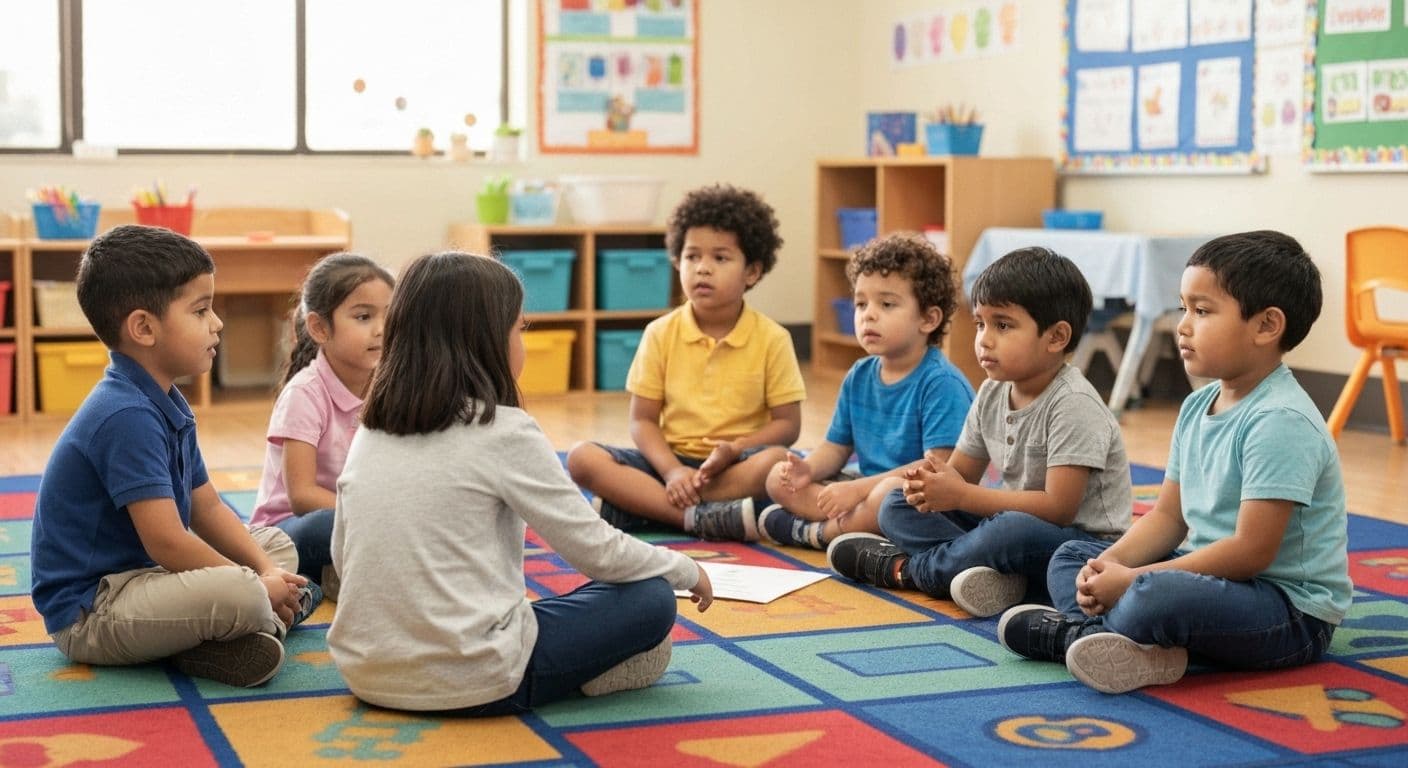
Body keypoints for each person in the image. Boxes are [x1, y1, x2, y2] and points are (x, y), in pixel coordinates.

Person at [328, 251, 714, 715]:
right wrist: (685, 570)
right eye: (521, 328)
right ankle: (594, 669)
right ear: (488, 339)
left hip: (365, 671)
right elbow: (595, 550)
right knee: (650, 596)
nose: (523, 341)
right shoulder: (505, 431)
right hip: (477, 678)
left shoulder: (372, 428)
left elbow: (341, 555)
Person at [998, 231, 1351, 694]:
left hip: (1286, 612)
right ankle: (1123, 642)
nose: (1182, 325)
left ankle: (1084, 633)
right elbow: (1168, 516)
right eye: (1182, 307)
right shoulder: (1197, 405)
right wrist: (1108, 567)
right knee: (1074, 556)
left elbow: (1250, 552)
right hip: (1207, 577)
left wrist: (1134, 580)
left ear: (1266, 326)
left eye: (1202, 311)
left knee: (1152, 594)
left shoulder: (1280, 420)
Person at [30, 224, 316, 689]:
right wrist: (251, 582)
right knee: (241, 591)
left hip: (150, 578)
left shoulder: (165, 401)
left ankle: (232, 630)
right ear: (144, 327)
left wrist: (263, 570)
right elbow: (167, 541)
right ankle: (251, 619)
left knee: (278, 547)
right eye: (201, 310)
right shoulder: (124, 415)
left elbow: (206, 508)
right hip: (94, 611)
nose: (217, 322)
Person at [827, 247, 1132, 619]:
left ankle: (911, 571)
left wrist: (962, 495)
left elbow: (1058, 509)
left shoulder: (1074, 403)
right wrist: (926, 485)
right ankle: (981, 572)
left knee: (1009, 531)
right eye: (980, 324)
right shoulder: (992, 390)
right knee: (894, 503)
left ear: (1056, 337)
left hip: (1080, 546)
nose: (984, 340)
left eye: (1002, 325)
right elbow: (960, 474)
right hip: (1011, 523)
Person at [566, 184, 805, 541]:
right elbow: (643, 420)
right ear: (678, 261)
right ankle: (696, 518)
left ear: (752, 272)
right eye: (692, 257)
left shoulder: (773, 338)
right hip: (667, 463)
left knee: (778, 463)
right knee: (582, 458)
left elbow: (787, 425)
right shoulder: (660, 333)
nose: (703, 269)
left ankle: (646, 509)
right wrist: (674, 471)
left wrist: (736, 449)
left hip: (734, 467)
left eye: (720, 258)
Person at [758, 234, 975, 550]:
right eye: (861, 303)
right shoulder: (859, 374)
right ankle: (841, 525)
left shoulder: (942, 383)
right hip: (863, 486)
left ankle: (821, 533)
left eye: (886, 304)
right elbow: (835, 448)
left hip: (916, 498)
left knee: (886, 494)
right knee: (777, 476)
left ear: (929, 319)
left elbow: (935, 470)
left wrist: (859, 490)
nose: (867, 315)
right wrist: (808, 469)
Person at [249, 253, 393, 600]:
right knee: (327, 527)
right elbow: (302, 497)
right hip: (288, 532)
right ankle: (337, 573)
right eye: (363, 316)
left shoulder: (389, 387)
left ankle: (341, 574)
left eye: (391, 315)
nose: (381, 329)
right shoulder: (304, 393)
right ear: (319, 328)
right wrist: (373, 510)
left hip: (357, 518)